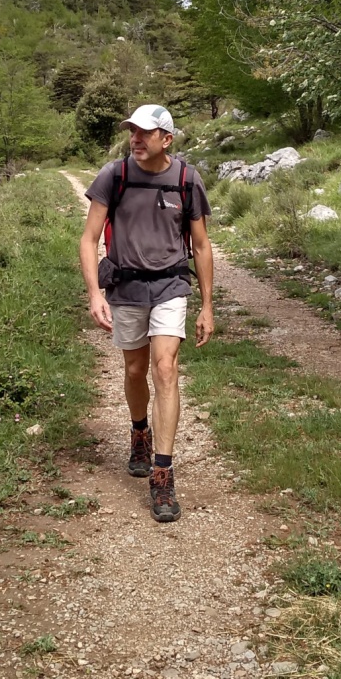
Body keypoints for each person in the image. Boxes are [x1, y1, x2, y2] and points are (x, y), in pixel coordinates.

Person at [79, 104, 214, 522]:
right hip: (126, 287)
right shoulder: (114, 175)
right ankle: (140, 430)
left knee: (165, 368)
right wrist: (95, 294)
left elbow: (202, 245)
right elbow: (88, 239)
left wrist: (208, 305)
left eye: (145, 133)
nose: (135, 139)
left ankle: (162, 472)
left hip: (171, 286)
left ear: (166, 139)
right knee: (135, 370)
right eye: (132, 132)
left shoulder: (187, 180)